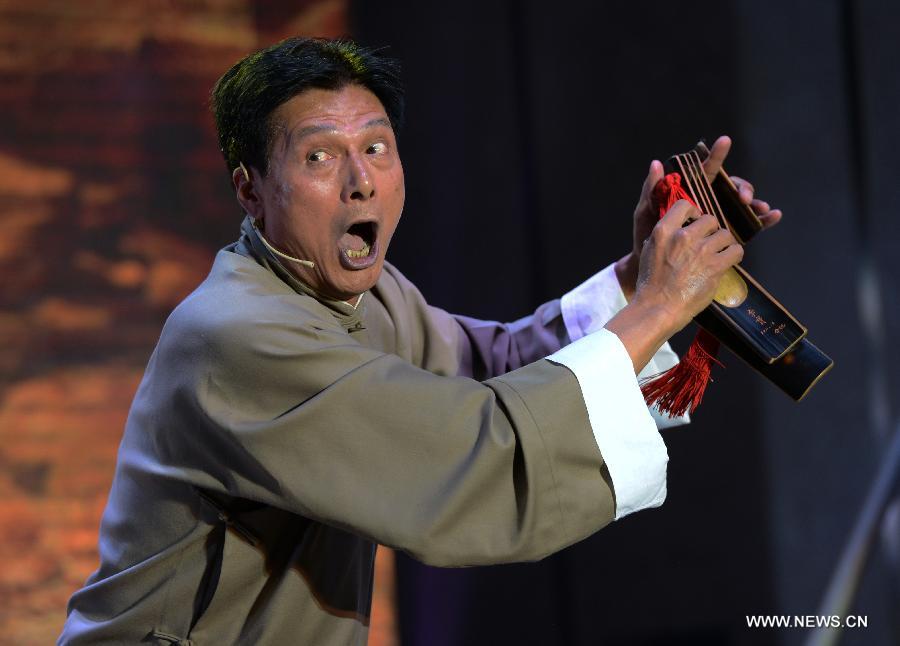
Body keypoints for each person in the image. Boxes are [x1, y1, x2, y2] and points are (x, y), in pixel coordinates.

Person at [60, 37, 780, 645]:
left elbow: (489, 368)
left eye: (377, 147)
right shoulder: (236, 336)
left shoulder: (364, 295)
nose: (361, 182)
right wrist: (658, 303)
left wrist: (636, 277)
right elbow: (470, 451)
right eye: (319, 158)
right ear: (250, 191)